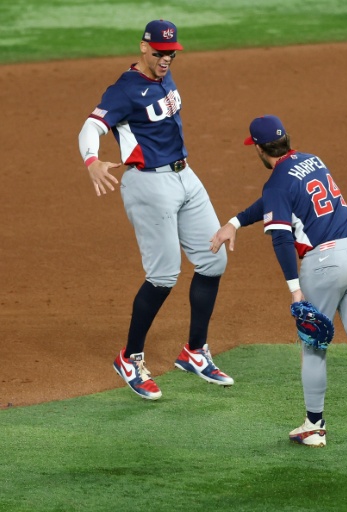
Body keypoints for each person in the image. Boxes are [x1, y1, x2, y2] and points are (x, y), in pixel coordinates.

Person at [210, 115, 347, 451]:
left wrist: (295, 289)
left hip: (324, 265)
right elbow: (274, 202)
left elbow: (280, 236)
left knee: (313, 344)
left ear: (261, 150)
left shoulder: (276, 181)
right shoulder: (312, 160)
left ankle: (315, 426)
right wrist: (235, 222)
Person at [77, 20, 233, 400]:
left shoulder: (165, 77)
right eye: (161, 53)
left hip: (185, 176)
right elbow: (90, 126)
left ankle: (194, 352)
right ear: (144, 47)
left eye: (172, 53)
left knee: (213, 261)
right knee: (163, 276)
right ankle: (129, 358)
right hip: (149, 184)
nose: (168, 59)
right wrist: (92, 161)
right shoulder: (125, 90)